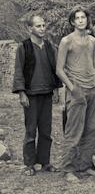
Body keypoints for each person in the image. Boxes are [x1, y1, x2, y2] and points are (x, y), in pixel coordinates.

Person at [12, 13, 62, 176]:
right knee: (31, 130)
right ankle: (29, 164)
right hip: (31, 95)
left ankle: (45, 161)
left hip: (46, 93)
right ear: (30, 28)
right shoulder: (24, 47)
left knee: (46, 130)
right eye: (38, 26)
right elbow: (19, 70)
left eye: (43, 25)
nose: (42, 28)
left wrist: (55, 89)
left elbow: (55, 68)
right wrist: (21, 93)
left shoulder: (49, 46)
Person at [56, 6, 95, 182]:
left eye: (84, 17)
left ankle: (84, 166)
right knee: (74, 131)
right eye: (78, 18)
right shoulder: (66, 41)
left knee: (91, 130)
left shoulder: (92, 40)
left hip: (93, 88)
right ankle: (68, 168)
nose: (81, 20)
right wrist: (72, 88)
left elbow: (94, 64)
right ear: (73, 21)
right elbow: (59, 70)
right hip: (76, 89)